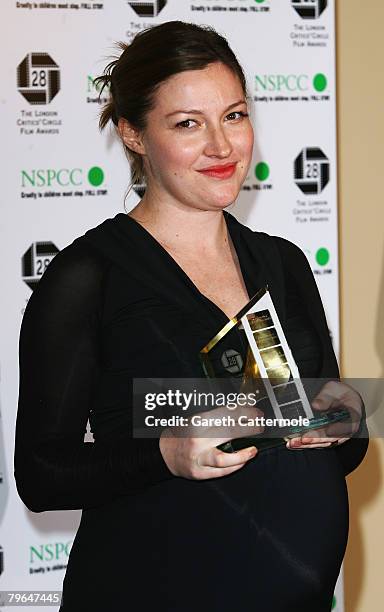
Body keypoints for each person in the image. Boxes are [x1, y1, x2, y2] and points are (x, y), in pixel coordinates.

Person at [14, 21, 368, 612]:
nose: (222, 146)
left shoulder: (284, 262)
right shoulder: (87, 278)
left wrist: (348, 417)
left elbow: (334, 440)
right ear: (133, 134)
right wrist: (164, 454)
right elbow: (42, 474)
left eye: (233, 115)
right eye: (187, 124)